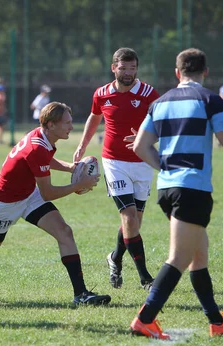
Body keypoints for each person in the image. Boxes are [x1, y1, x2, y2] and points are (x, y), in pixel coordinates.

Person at [129, 48, 223, 340]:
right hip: (192, 188)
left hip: (168, 188)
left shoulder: (160, 102)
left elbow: (140, 146)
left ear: (177, 73)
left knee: (198, 254)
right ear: (206, 72)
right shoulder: (210, 99)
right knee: (178, 257)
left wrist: (163, 168)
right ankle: (144, 319)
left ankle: (216, 321)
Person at [0, 102, 112, 306]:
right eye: (67, 123)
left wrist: (71, 168)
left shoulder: (42, 137)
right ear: (51, 125)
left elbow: (44, 162)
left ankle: (81, 294)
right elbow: (49, 192)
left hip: (29, 195)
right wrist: (79, 184)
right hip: (5, 204)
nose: (71, 127)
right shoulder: (37, 147)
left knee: (64, 232)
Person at [73, 47, 159, 291]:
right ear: (114, 68)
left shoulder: (149, 93)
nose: (128, 73)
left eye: (132, 68)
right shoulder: (101, 94)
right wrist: (82, 145)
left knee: (134, 223)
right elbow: (94, 117)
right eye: (123, 68)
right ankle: (145, 278)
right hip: (114, 162)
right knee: (129, 217)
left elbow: (163, 123)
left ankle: (115, 258)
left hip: (143, 162)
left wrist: (146, 139)